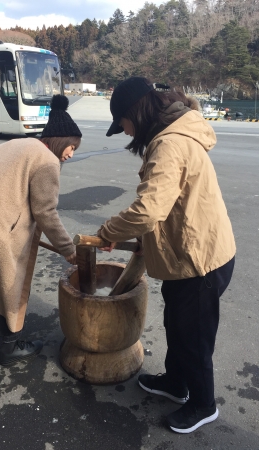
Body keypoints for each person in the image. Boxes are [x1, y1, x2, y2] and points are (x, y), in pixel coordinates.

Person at [97, 77, 236, 434]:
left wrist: (107, 232)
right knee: (178, 324)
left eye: (122, 124)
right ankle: (177, 383)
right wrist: (148, 240)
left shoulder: (169, 144)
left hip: (199, 260)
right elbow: (170, 204)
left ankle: (203, 405)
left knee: (194, 336)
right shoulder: (172, 134)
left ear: (134, 114)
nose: (125, 132)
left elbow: (149, 210)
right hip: (185, 254)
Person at [0, 94, 82, 365]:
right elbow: (45, 211)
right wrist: (69, 249)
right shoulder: (47, 161)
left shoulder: (16, 143)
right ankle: (8, 344)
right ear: (60, 141)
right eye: (72, 147)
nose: (71, 153)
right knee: (12, 278)